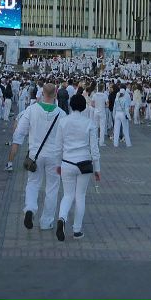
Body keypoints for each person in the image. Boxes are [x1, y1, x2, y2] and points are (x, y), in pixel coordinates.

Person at [8, 82, 65, 230]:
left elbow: (20, 131)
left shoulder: (31, 110)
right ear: (55, 94)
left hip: (35, 154)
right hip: (54, 156)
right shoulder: (62, 113)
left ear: (41, 94)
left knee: (33, 183)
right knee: (52, 188)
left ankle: (30, 208)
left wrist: (15, 147)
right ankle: (46, 221)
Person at [54, 94, 100, 241]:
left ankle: (62, 218)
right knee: (80, 196)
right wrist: (97, 169)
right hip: (84, 163)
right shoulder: (89, 123)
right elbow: (95, 149)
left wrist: (57, 164)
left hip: (67, 162)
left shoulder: (63, 122)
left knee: (67, 195)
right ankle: (77, 230)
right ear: (84, 106)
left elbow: (57, 147)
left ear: (71, 105)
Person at [90, 82, 108, 146]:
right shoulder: (105, 95)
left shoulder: (95, 95)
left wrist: (96, 106)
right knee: (102, 127)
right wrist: (103, 106)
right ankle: (101, 142)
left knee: (95, 126)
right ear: (103, 88)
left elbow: (92, 104)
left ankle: (95, 140)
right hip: (102, 112)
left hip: (96, 112)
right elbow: (107, 104)